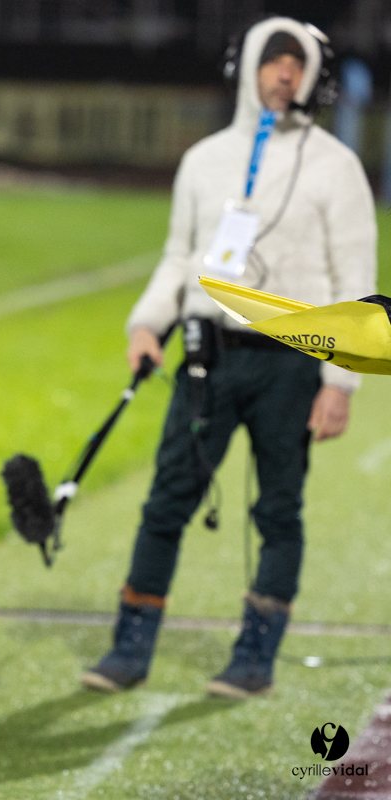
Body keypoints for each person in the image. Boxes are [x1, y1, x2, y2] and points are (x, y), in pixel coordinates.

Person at [79, 17, 377, 699]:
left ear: (313, 74)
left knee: (277, 511)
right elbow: (179, 255)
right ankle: (130, 646)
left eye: (295, 64)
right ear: (246, 69)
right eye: (272, 62)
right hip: (205, 357)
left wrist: (341, 383)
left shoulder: (335, 165)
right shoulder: (204, 160)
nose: (283, 75)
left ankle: (255, 656)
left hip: (292, 363)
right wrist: (147, 322)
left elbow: (355, 277)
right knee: (165, 503)